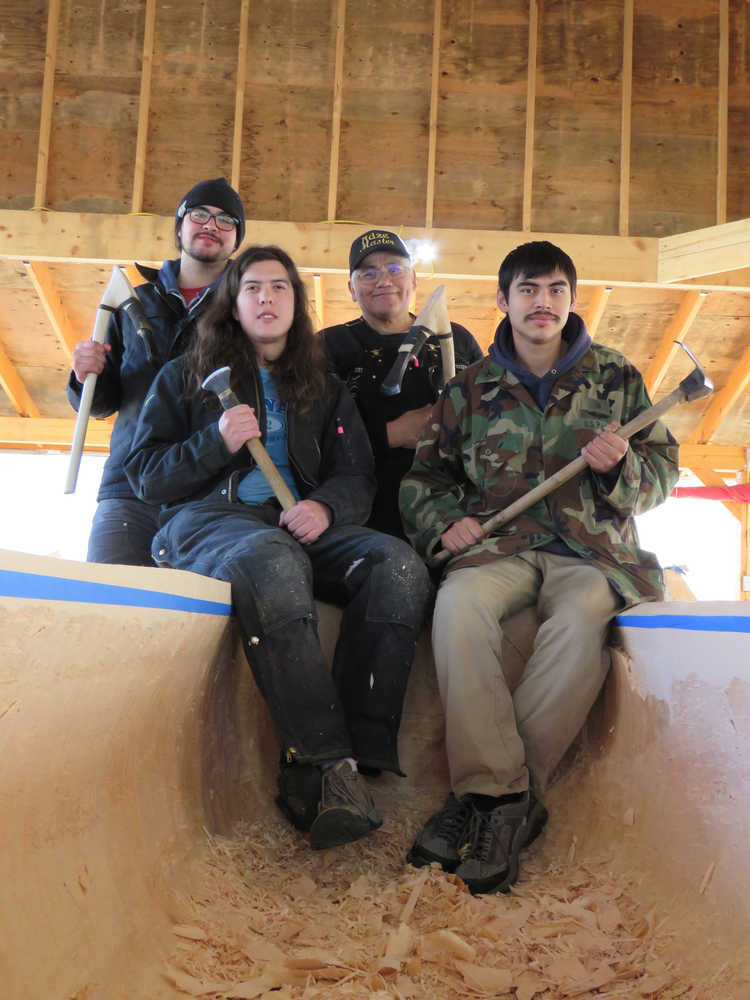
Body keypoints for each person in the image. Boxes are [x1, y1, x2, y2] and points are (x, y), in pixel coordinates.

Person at [124, 245, 432, 850]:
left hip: (295, 521)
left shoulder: (323, 388)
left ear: (297, 304)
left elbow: (356, 474)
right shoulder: (185, 377)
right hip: (209, 521)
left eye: (280, 288)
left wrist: (325, 507)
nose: (267, 298)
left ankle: (360, 751)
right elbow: (146, 476)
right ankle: (316, 767)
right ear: (233, 304)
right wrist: (214, 443)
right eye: (253, 288)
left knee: (397, 565)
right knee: (271, 558)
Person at [400, 240, 679, 893]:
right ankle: (508, 797)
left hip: (592, 552)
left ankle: (482, 800)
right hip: (500, 548)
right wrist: (447, 524)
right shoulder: (468, 389)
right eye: (528, 289)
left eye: (555, 290)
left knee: (582, 618)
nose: (543, 303)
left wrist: (624, 468)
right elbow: (424, 481)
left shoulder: (616, 379)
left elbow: (663, 475)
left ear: (571, 300)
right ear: (503, 300)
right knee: (458, 605)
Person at [67, 178, 246, 565]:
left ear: (236, 240)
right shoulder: (131, 305)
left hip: (211, 490)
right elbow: (102, 403)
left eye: (226, 220)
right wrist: (85, 376)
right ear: (179, 227)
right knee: (112, 608)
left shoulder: (247, 310)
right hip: (129, 488)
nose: (211, 225)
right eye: (200, 214)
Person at [321, 229, 483, 539]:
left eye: (395, 269)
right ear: (351, 290)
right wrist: (390, 434)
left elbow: (490, 422)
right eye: (368, 273)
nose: (384, 280)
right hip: (362, 518)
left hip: (451, 516)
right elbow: (309, 441)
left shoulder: (457, 340)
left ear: (414, 280)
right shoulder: (328, 346)